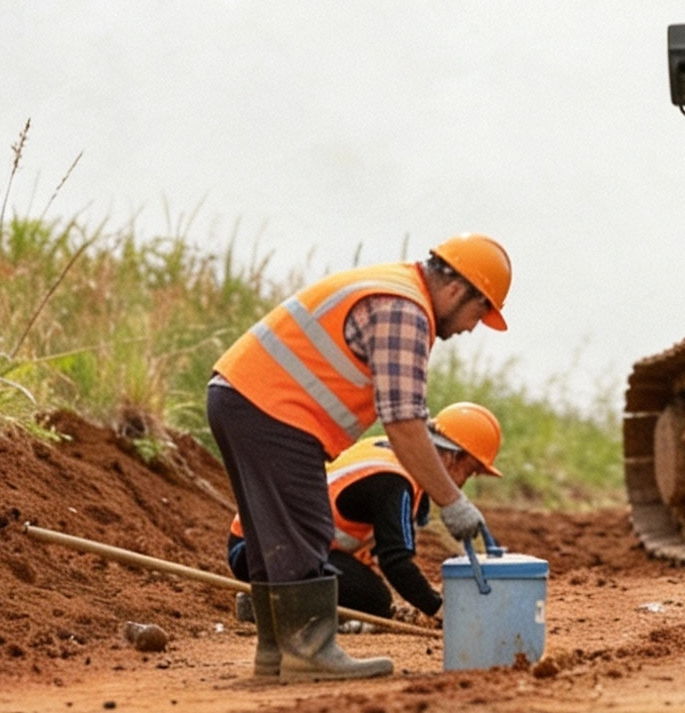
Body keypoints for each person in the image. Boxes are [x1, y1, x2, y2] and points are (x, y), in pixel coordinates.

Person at [206, 234, 512, 680]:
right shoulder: (406, 311)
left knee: (281, 536)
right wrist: (452, 501)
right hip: (272, 409)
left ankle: (276, 656)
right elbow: (405, 423)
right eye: (478, 312)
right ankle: (309, 653)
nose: (471, 327)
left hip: (240, 397)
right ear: (454, 289)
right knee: (307, 531)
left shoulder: (394, 289)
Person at [225, 402, 505, 623]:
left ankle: (270, 601)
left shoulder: (393, 450)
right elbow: (395, 561)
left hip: (271, 545)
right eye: (468, 473)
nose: (461, 487)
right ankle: (278, 608)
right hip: (262, 551)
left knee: (366, 590)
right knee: (373, 600)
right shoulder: (394, 481)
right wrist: (440, 609)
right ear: (452, 457)